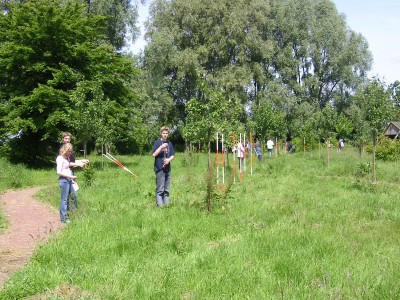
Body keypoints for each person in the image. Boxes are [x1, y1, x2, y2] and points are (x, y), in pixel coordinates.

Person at [60, 132, 89, 210]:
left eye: (69, 138)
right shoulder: (62, 150)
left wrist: (81, 161)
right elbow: (66, 164)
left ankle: (70, 211)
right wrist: (79, 164)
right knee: (71, 195)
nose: (67, 140)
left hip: (71, 173)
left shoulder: (70, 148)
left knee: (71, 194)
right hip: (66, 174)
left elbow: (72, 161)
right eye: (66, 138)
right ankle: (71, 212)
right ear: (63, 139)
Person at [152, 126, 175, 207]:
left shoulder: (170, 143)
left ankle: (166, 205)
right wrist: (161, 147)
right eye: (163, 133)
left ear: (168, 134)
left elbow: (172, 155)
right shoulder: (157, 142)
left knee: (167, 189)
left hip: (168, 169)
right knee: (160, 189)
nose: (165, 135)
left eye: (166, 133)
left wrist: (169, 160)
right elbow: (154, 154)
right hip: (159, 168)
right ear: (161, 134)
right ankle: (160, 207)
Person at [56, 143, 77, 223]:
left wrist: (80, 164)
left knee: (73, 196)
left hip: (69, 180)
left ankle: (72, 213)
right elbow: (58, 172)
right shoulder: (60, 158)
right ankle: (64, 218)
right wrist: (71, 177)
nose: (70, 153)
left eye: (71, 151)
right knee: (64, 199)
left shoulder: (66, 158)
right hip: (64, 180)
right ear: (65, 150)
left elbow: (69, 165)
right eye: (69, 151)